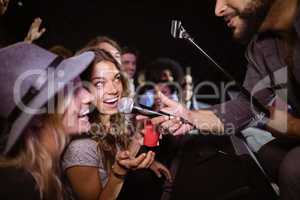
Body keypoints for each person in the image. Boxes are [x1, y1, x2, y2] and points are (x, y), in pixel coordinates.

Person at [151, 0, 300, 199]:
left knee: (292, 167)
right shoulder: (262, 47)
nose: (217, 9)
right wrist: (188, 115)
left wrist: (295, 127)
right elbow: (245, 107)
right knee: (257, 153)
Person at [62, 48, 171, 200]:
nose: (113, 89)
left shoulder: (113, 124)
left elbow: (125, 162)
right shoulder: (80, 148)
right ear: (82, 90)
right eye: (99, 83)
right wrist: (118, 173)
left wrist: (138, 139)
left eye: (117, 78)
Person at [0, 42, 95, 200]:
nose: (89, 97)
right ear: (37, 117)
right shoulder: (18, 189)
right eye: (73, 90)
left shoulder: (53, 171)